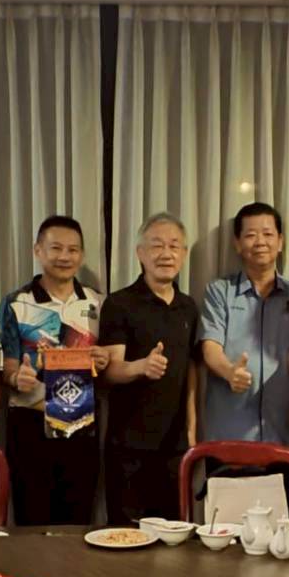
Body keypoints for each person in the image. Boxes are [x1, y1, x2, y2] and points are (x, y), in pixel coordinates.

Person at [0, 215, 108, 525]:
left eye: (73, 250)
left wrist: (102, 360)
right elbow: (7, 367)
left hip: (81, 423)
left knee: (78, 521)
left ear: (82, 255)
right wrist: (16, 377)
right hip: (30, 424)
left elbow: (107, 362)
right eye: (56, 248)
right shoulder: (16, 302)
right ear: (38, 250)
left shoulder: (98, 303)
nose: (64, 257)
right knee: (33, 522)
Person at [99, 213, 200, 525]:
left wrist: (192, 429)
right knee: (125, 537)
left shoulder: (188, 307)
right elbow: (110, 371)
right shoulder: (119, 303)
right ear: (140, 253)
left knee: (173, 537)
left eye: (174, 246)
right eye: (156, 245)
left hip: (174, 447)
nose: (166, 254)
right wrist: (141, 366)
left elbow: (191, 370)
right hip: (128, 446)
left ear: (184, 254)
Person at [199, 202, 289, 444]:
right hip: (230, 429)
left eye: (268, 234)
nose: (260, 242)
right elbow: (210, 348)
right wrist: (229, 372)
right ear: (237, 244)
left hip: (285, 430)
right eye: (250, 235)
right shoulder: (220, 291)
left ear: (280, 242)